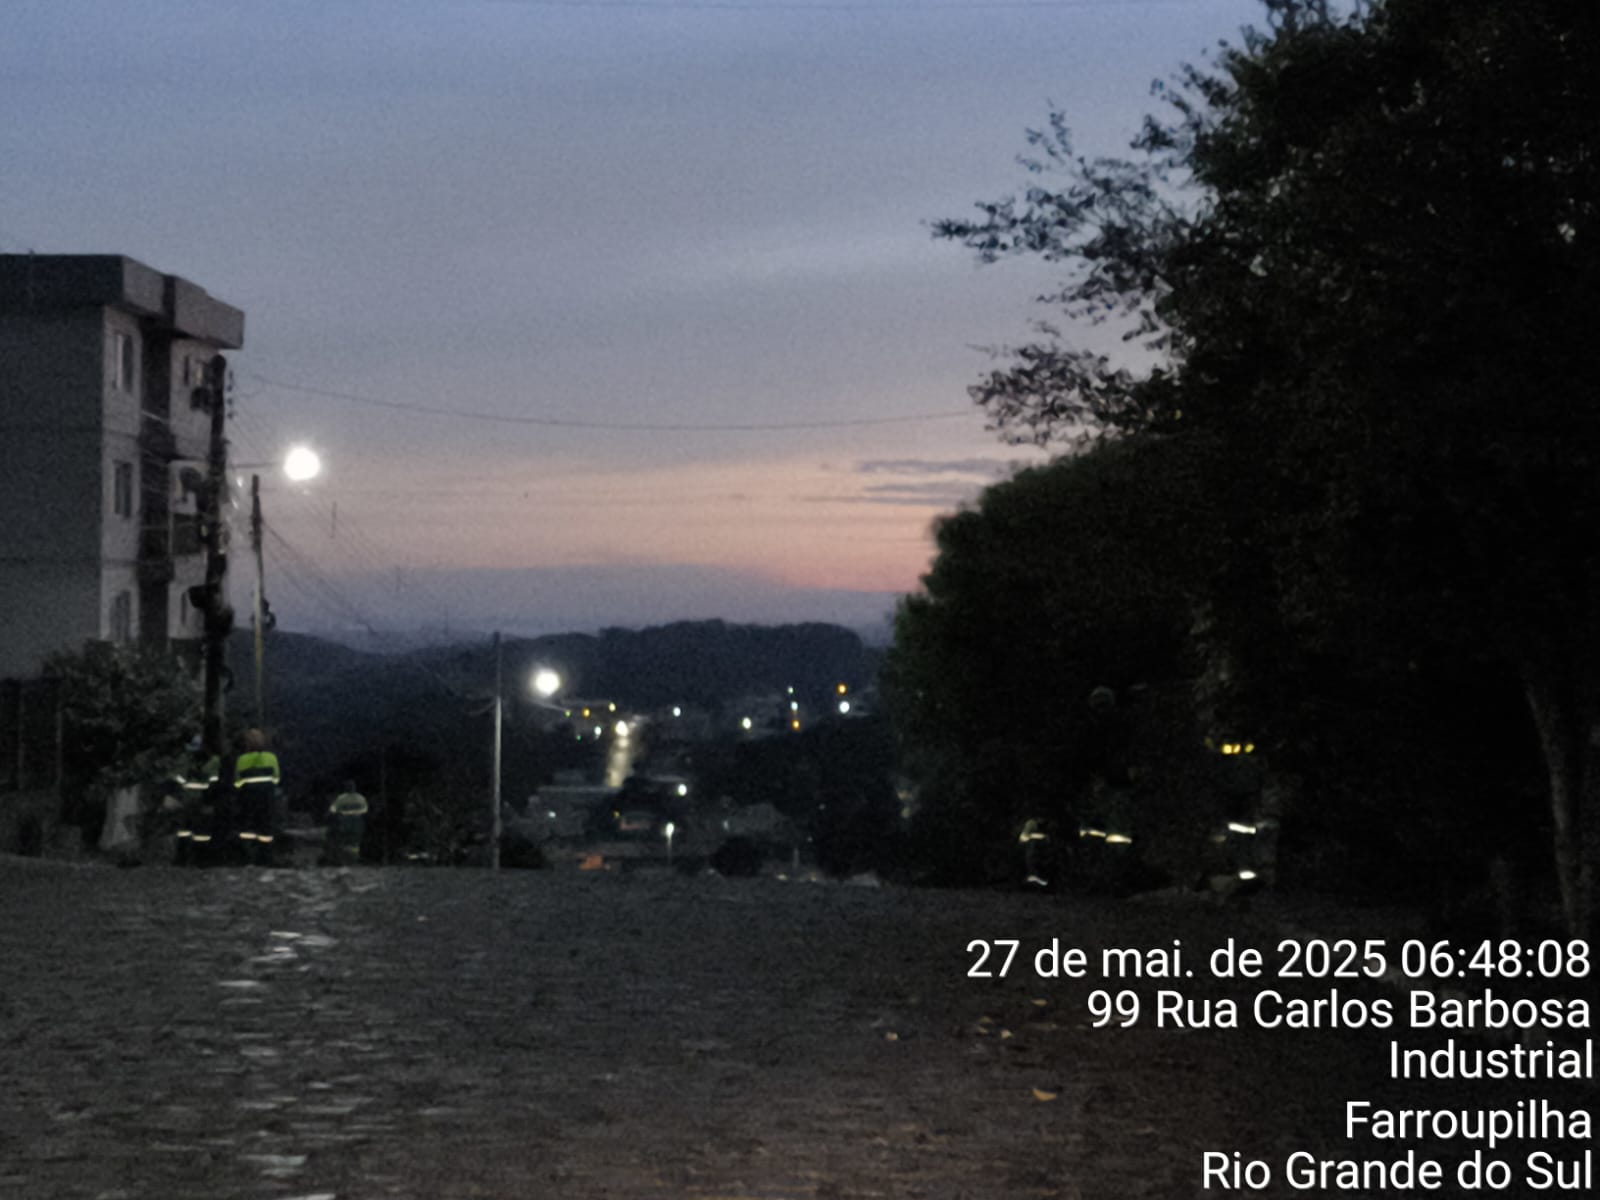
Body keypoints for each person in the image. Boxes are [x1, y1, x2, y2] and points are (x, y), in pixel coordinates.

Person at [233, 729, 281, 865]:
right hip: (266, 798)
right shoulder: (271, 758)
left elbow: (237, 782)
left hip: (247, 798)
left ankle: (247, 858)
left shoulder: (242, 759)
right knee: (266, 828)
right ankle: (265, 857)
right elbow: (276, 778)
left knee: (248, 828)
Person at [328, 781, 368, 864]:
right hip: (355, 821)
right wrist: (355, 812)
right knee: (353, 841)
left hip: (346, 821)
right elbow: (365, 809)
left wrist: (342, 812)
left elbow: (332, 809)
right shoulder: (359, 798)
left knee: (347, 840)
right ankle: (352, 859)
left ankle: (348, 859)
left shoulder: (342, 798)